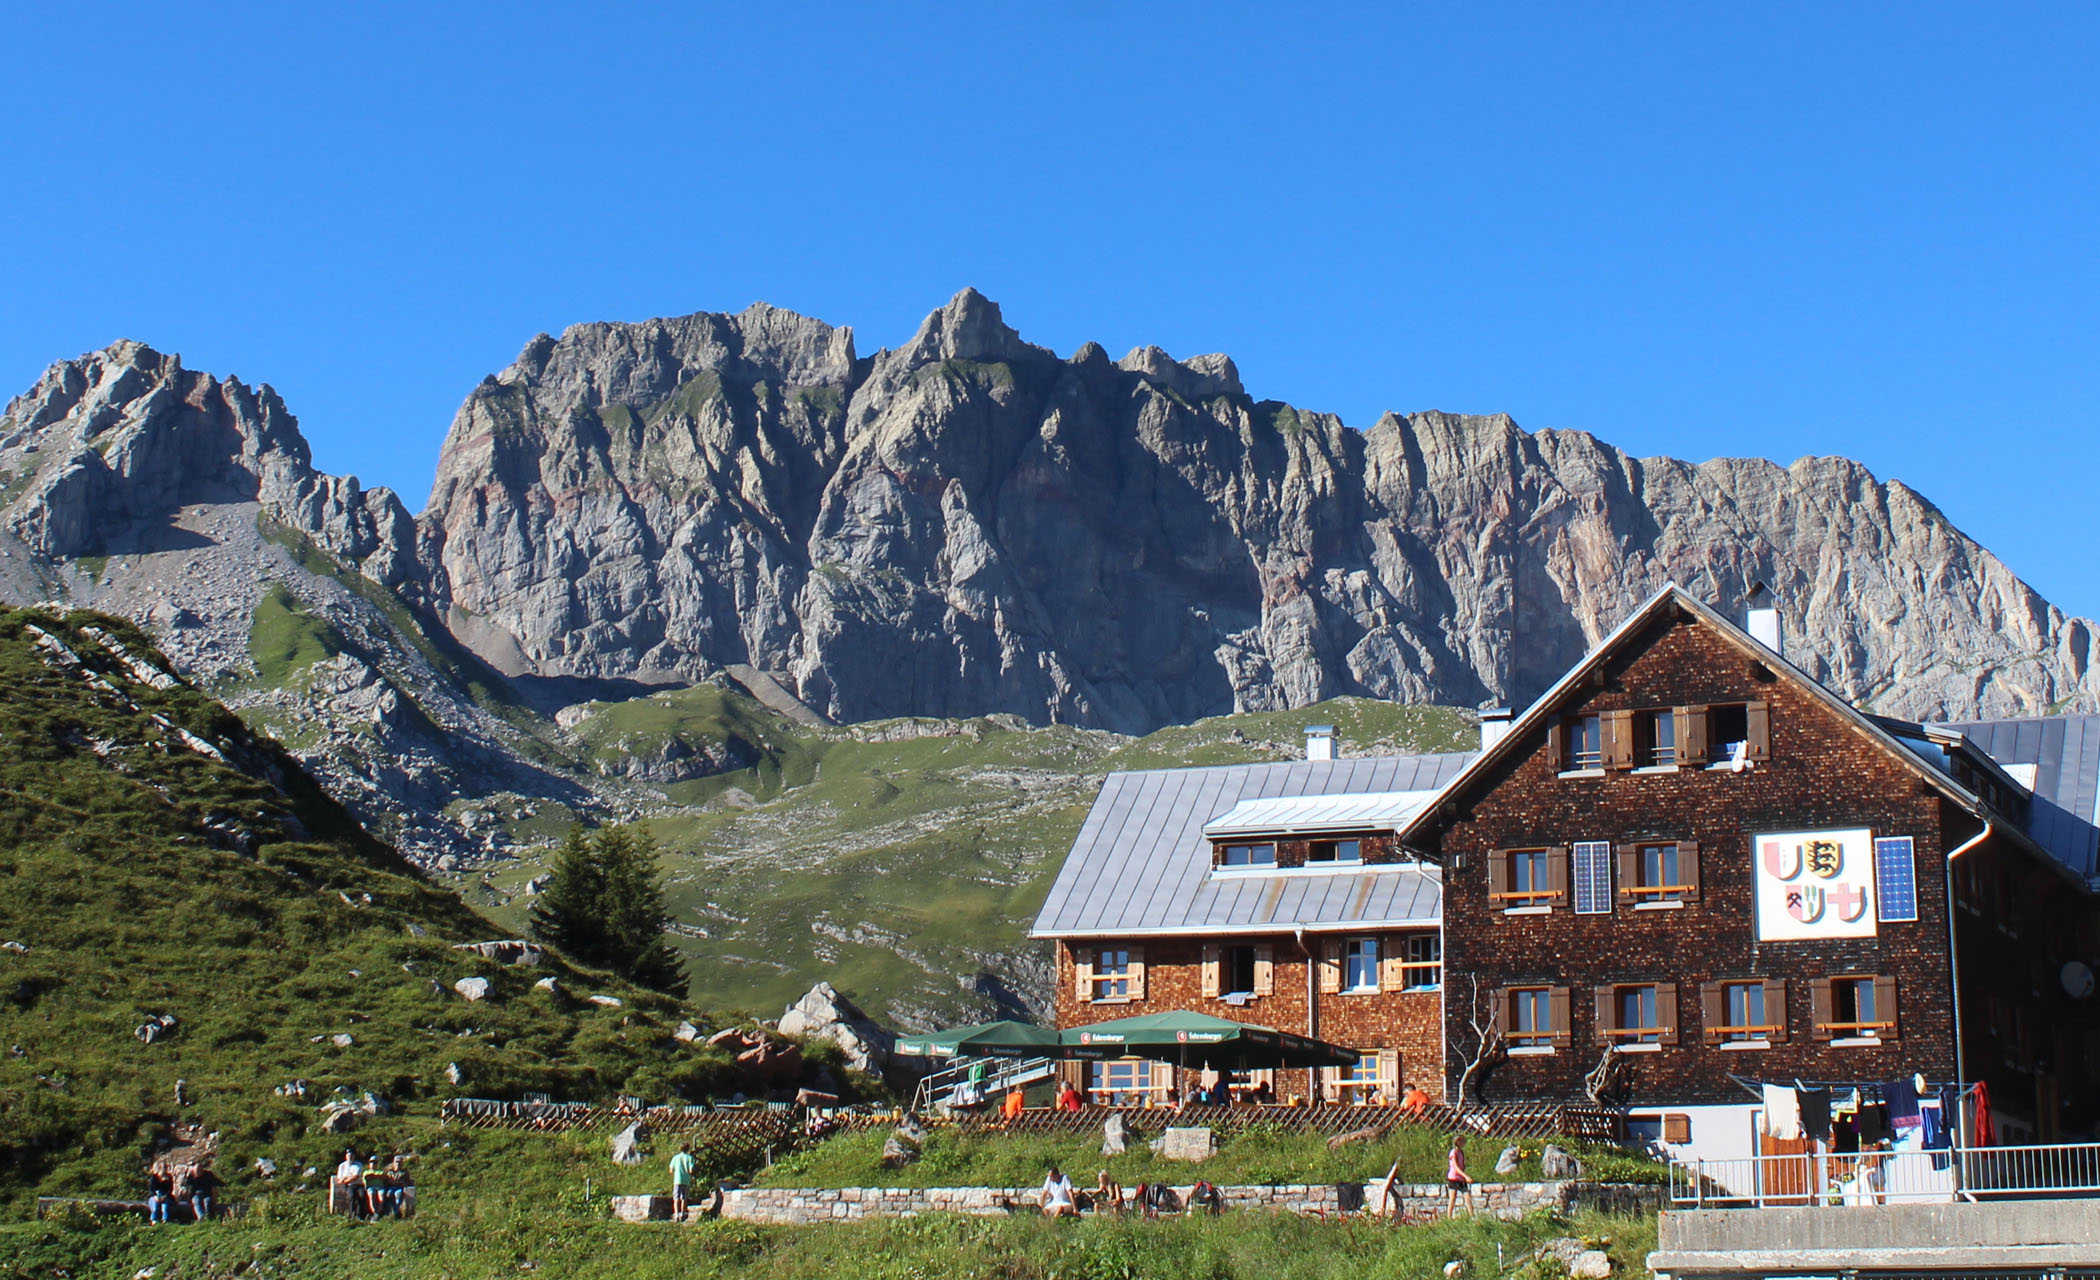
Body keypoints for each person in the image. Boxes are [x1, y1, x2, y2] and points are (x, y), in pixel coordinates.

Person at [669, 1143, 698, 1222]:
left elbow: (671, 1170)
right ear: (688, 1149)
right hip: (686, 1180)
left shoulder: (675, 1158)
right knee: (684, 1198)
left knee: (676, 1198)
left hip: (677, 1180)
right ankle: (682, 1213)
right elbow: (691, 1170)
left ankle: (676, 1214)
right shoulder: (690, 1158)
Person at [1445, 1136, 1473, 1216]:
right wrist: (1466, 1176)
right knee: (1452, 1198)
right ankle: (1449, 1218)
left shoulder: (1461, 1152)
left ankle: (1472, 1216)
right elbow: (1455, 1167)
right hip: (1453, 1178)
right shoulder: (1453, 1153)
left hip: (1461, 1179)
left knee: (1467, 1196)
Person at [333, 1149, 364, 1217]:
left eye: (352, 1155)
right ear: (346, 1156)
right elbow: (339, 1178)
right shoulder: (342, 1166)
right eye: (348, 1155)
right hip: (349, 1185)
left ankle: (359, 1215)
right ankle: (351, 1215)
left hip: (358, 1184)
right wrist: (347, 1179)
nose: (350, 1157)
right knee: (351, 1196)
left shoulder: (358, 1164)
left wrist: (345, 1178)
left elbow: (355, 1177)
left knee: (361, 1196)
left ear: (354, 1156)